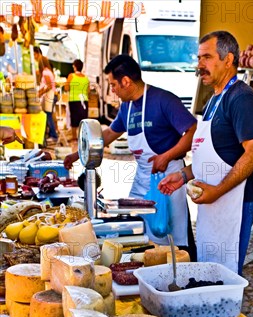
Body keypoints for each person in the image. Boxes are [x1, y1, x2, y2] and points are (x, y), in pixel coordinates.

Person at [64, 54, 197, 258]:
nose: (112, 90)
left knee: (175, 236)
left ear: (126, 81)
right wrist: (77, 154)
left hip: (170, 177)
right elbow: (109, 134)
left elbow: (192, 130)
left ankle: (187, 273)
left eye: (113, 85)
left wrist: (167, 156)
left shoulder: (163, 100)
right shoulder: (126, 107)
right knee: (141, 232)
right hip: (143, 177)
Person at [158, 31, 253, 274]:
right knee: (209, 271)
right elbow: (213, 155)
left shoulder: (241, 98)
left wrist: (217, 191)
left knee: (225, 275)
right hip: (213, 202)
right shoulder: (213, 99)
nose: (199, 65)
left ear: (228, 60)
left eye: (207, 57)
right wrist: (184, 175)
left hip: (234, 203)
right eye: (198, 58)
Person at [64, 59, 90, 141]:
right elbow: (88, 91)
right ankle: (83, 137)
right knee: (83, 119)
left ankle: (74, 137)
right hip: (84, 100)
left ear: (75, 67)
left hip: (74, 100)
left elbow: (66, 87)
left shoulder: (71, 76)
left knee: (74, 119)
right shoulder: (86, 78)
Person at [38, 57, 58, 144]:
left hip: (50, 95)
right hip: (51, 95)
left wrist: (41, 93)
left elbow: (49, 86)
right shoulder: (49, 71)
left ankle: (53, 135)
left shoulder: (45, 72)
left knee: (48, 115)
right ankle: (50, 134)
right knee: (48, 114)